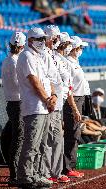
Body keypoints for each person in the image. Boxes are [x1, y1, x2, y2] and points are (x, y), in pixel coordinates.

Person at [16, 27, 56, 188]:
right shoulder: (26, 56)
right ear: (30, 40)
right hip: (34, 106)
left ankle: (36, 174)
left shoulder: (39, 56)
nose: (42, 42)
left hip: (44, 106)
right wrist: (47, 99)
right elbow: (34, 81)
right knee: (31, 143)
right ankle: (25, 176)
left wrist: (53, 96)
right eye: (39, 39)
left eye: (43, 39)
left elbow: (47, 79)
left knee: (40, 144)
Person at [39, 25, 70, 183]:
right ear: (50, 38)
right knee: (48, 140)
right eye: (56, 38)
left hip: (58, 103)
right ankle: (46, 172)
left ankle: (56, 172)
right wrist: (51, 97)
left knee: (57, 139)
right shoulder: (43, 54)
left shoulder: (53, 55)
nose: (58, 40)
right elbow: (46, 79)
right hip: (50, 103)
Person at [62, 35, 89, 178]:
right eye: (80, 48)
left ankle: (70, 165)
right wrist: (74, 107)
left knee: (75, 133)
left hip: (79, 98)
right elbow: (69, 88)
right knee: (72, 134)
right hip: (73, 100)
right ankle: (67, 167)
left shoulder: (75, 62)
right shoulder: (68, 63)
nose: (81, 50)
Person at [1, 32, 25, 185]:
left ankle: (15, 172)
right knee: (18, 138)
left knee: (17, 137)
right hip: (17, 103)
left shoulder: (7, 60)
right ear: (21, 46)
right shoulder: (15, 62)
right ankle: (14, 174)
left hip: (12, 102)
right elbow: (20, 84)